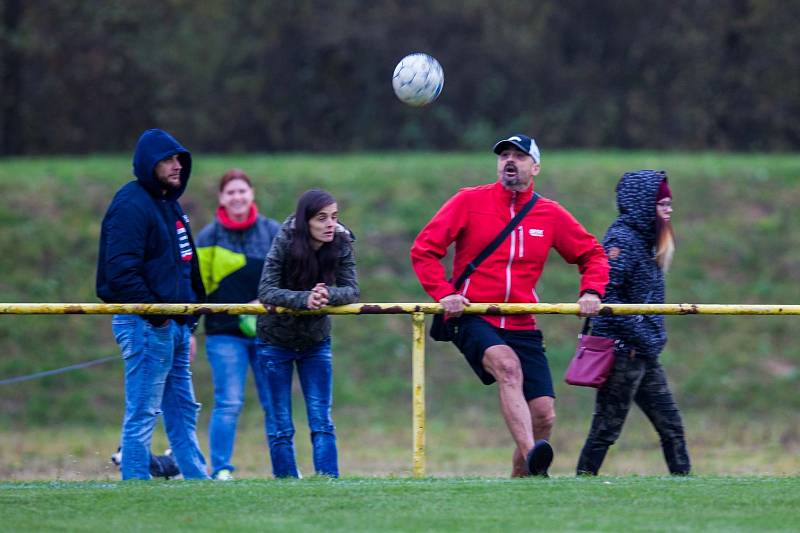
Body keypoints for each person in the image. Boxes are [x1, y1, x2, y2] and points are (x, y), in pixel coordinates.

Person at [410, 134, 609, 477]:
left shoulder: (550, 213)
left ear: (536, 167)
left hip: (521, 321)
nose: (509, 161)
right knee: (507, 367)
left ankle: (523, 482)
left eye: (519, 155)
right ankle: (533, 455)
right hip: (471, 314)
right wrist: (444, 293)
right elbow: (424, 250)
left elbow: (592, 254)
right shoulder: (468, 201)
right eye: (504, 155)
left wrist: (591, 291)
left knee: (544, 415)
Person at [96, 128, 209, 480]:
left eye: (179, 159)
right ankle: (135, 481)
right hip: (145, 324)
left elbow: (185, 266)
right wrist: (156, 317)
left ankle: (196, 479)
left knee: (183, 411)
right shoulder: (130, 204)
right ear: (149, 164)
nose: (177, 166)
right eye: (168, 160)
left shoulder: (169, 205)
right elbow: (120, 272)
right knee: (143, 410)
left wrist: (187, 321)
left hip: (175, 323)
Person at [576, 170, 691, 476]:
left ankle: (687, 490)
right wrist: (645, 335)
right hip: (622, 354)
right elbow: (608, 297)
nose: (669, 209)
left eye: (670, 203)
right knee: (605, 431)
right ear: (643, 204)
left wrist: (649, 340)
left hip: (643, 353)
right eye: (662, 203)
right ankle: (580, 486)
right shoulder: (622, 240)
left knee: (672, 428)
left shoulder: (648, 239)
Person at [256, 189, 359, 478]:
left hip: (316, 341)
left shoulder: (341, 242)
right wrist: (305, 300)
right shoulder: (285, 239)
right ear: (306, 221)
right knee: (280, 424)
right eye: (322, 218)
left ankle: (327, 481)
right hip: (274, 340)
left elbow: (352, 289)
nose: (331, 224)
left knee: (321, 419)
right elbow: (265, 290)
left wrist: (328, 294)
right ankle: (287, 482)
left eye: (335, 217)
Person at [195, 169, 281, 480]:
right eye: (230, 192)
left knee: (275, 403)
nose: (237, 197)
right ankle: (220, 469)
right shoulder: (208, 237)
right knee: (228, 403)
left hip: (270, 334)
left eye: (242, 191)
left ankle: (284, 468)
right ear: (221, 198)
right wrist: (189, 330)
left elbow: (287, 277)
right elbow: (196, 288)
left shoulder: (273, 232)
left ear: (252, 193)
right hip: (223, 335)